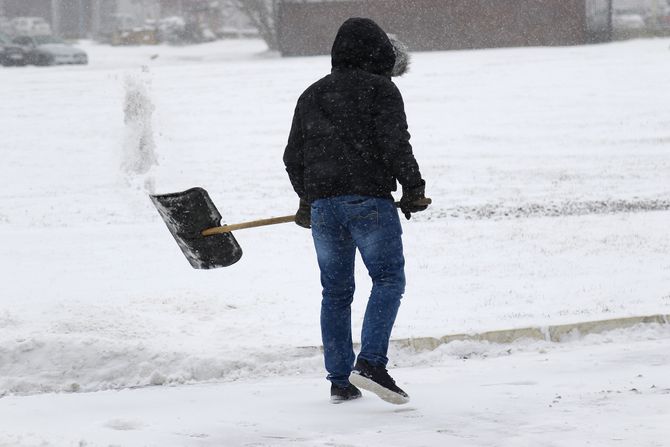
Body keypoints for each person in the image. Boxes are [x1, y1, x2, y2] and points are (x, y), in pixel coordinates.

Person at [283, 17, 429, 405]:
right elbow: (395, 143)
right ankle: (371, 364)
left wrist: (309, 198)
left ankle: (339, 380)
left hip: (325, 210)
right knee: (387, 280)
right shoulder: (381, 90)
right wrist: (413, 188)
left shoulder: (311, 94)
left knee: (335, 292)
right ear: (379, 52)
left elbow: (292, 157)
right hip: (369, 202)